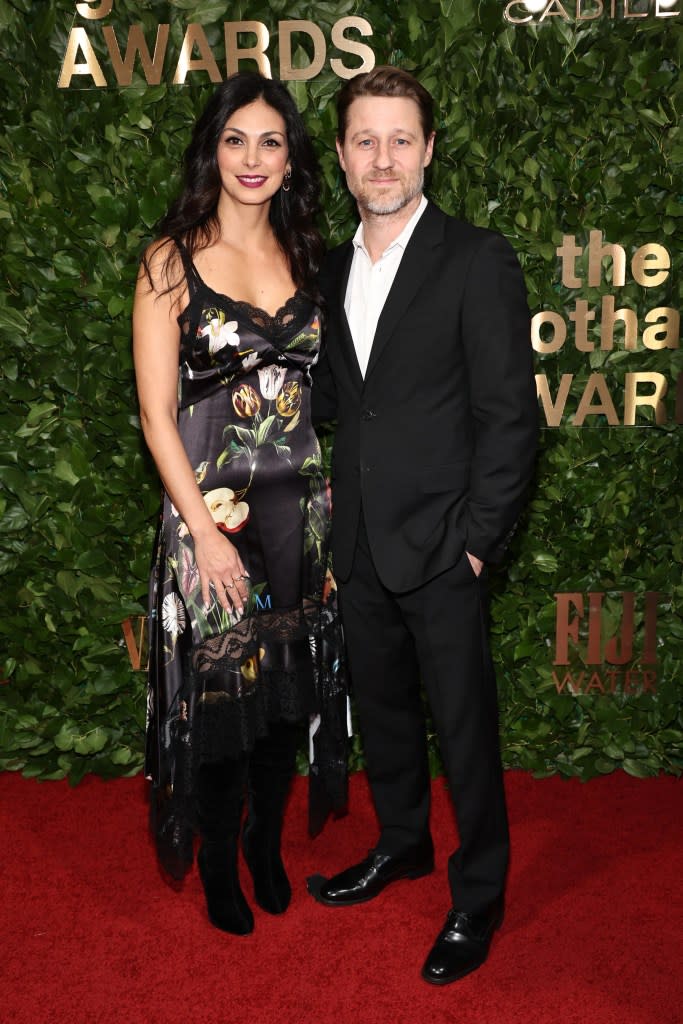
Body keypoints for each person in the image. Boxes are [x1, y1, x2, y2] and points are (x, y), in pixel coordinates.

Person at [310, 67, 538, 984]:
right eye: (364, 140)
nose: (383, 158)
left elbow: (510, 418)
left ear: (429, 148)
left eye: (401, 139)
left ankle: (478, 893)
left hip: (445, 547)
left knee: (465, 730)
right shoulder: (330, 268)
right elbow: (339, 401)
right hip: (359, 541)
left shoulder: (475, 258)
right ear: (338, 157)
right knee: (389, 723)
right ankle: (401, 844)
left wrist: (477, 541)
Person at [133, 72, 347, 937]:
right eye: (235, 139)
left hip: (302, 518)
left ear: (290, 155)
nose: (252, 158)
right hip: (211, 523)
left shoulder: (307, 255)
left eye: (269, 140)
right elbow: (154, 415)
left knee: (284, 697)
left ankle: (265, 844)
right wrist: (200, 535)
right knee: (223, 698)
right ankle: (220, 857)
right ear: (210, 150)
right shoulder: (169, 258)